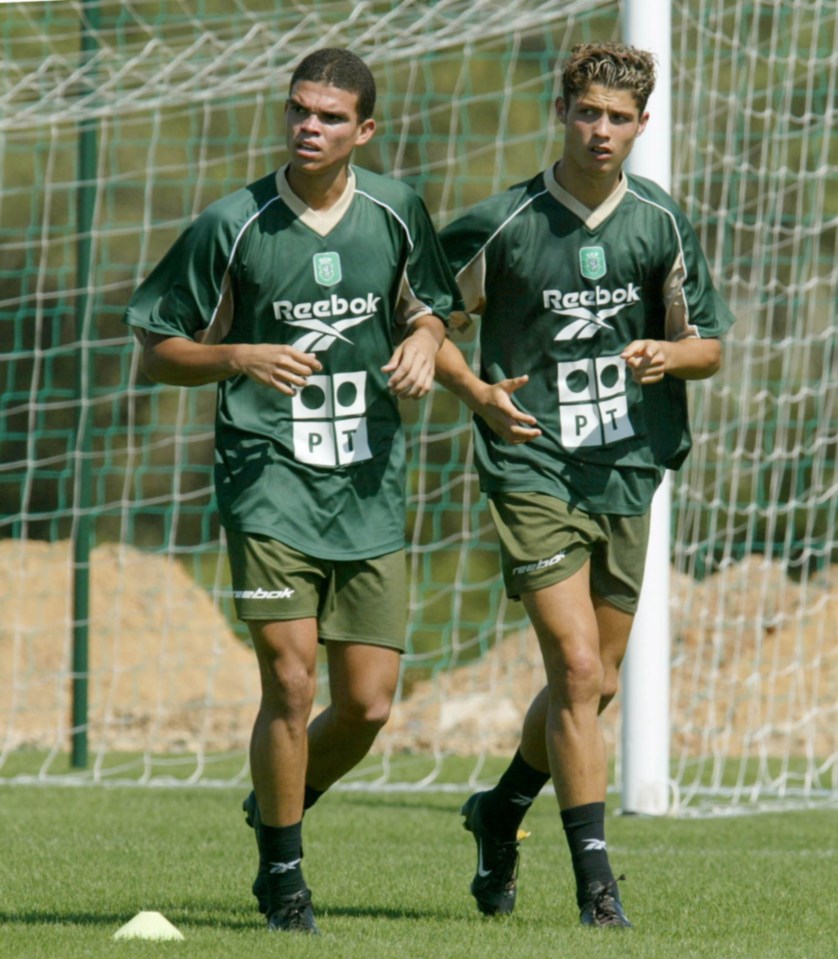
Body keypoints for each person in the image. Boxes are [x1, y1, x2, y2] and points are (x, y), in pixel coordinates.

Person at [124, 48, 460, 934]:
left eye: (329, 116)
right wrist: (237, 354)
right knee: (289, 675)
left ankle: (280, 798)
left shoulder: (396, 211)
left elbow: (428, 306)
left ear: (366, 130)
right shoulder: (233, 223)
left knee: (369, 702)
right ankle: (284, 876)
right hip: (266, 474)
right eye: (298, 110)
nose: (309, 126)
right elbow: (158, 347)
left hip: (370, 479)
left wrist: (425, 339)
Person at [435, 41, 734, 928]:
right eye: (587, 113)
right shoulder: (503, 221)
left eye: (618, 117)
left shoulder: (660, 223)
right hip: (530, 461)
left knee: (595, 682)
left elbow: (708, 346)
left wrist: (666, 352)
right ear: (561, 113)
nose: (600, 130)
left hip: (626, 464)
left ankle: (499, 811)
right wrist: (477, 392)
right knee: (571, 665)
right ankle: (597, 887)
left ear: (643, 125)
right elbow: (423, 324)